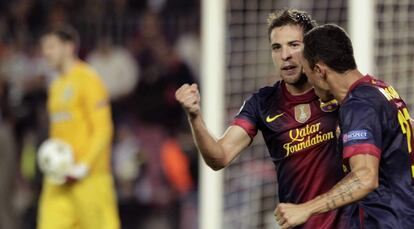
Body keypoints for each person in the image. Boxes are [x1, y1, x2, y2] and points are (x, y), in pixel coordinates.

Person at [176, 9, 347, 229]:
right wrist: (194, 116)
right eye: (277, 47)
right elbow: (219, 158)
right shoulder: (262, 103)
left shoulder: (339, 92)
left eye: (294, 45)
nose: (285, 55)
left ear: (312, 48)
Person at [275, 24, 414, 229]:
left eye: (307, 74)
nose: (309, 83)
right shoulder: (380, 88)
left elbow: (365, 177)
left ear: (319, 70)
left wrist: (306, 209)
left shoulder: (358, 106)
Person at [38, 25, 120, 229]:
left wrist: (84, 165)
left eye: (51, 46)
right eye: (44, 47)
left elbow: (103, 128)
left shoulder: (89, 80)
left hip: (90, 176)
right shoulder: (56, 86)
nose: (46, 52)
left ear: (69, 47)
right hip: (59, 178)